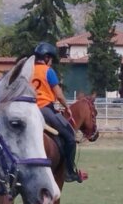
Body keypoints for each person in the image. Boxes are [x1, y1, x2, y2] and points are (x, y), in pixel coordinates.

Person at [30, 42, 86, 183]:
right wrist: (66, 107)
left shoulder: (28, 70)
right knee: (70, 137)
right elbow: (59, 95)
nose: (51, 62)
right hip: (44, 110)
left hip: (29, 110)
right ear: (47, 57)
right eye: (52, 59)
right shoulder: (48, 71)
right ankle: (68, 172)